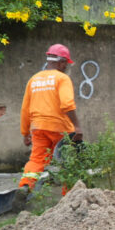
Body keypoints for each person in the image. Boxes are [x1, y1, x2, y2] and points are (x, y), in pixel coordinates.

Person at [19, 44, 83, 190]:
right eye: (66, 63)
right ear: (61, 62)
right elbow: (67, 104)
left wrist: (25, 133)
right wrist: (77, 127)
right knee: (67, 161)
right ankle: (69, 195)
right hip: (60, 128)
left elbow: (25, 109)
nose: (66, 67)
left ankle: (25, 186)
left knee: (36, 160)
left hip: (38, 128)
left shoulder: (34, 79)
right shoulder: (62, 78)